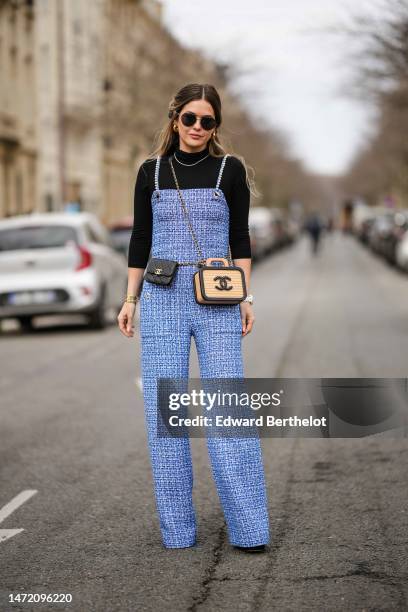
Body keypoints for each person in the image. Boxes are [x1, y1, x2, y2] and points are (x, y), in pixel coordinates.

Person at [117, 83, 270, 553]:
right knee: (167, 416)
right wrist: (130, 300)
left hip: (218, 297)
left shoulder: (231, 170)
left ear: (216, 126)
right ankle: (178, 531)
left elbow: (240, 239)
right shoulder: (151, 172)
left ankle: (249, 530)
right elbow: (140, 239)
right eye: (190, 119)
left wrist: (245, 297)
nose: (198, 128)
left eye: (208, 121)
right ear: (174, 119)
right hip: (161, 297)